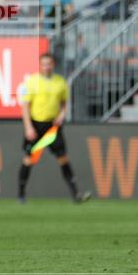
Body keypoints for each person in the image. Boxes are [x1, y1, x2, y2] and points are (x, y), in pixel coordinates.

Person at [18, 52, 90, 204]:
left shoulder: (60, 82)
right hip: (36, 126)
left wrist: (63, 114)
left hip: (53, 127)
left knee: (63, 158)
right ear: (40, 65)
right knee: (29, 159)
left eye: (49, 63)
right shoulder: (32, 82)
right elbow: (25, 106)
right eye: (44, 64)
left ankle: (76, 194)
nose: (47, 66)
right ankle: (21, 194)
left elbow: (64, 103)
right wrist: (28, 127)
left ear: (53, 64)